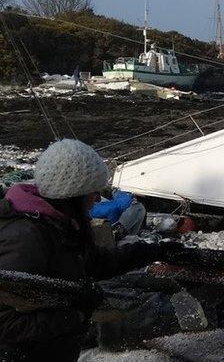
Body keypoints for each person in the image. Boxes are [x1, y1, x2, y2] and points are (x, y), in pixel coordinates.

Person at [0, 139, 173, 361]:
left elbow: (90, 263)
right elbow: (5, 325)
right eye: (92, 191)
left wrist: (151, 251)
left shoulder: (57, 224)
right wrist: (76, 315)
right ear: (72, 193)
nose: (97, 198)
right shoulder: (26, 238)